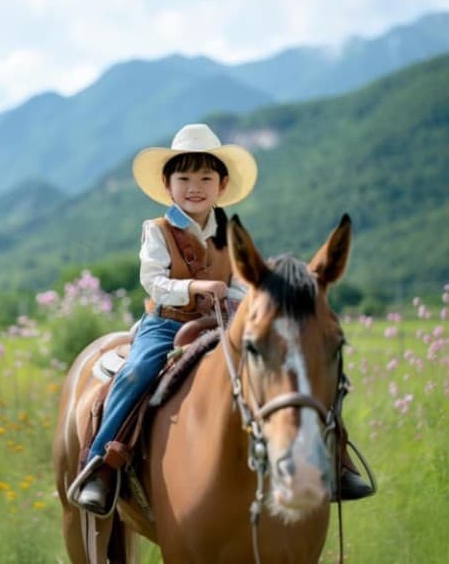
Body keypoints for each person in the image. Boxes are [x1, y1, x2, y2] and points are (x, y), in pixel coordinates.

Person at [73, 123, 373, 515]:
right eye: (184, 178)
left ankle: (334, 460)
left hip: (223, 322)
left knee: (289, 366)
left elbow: (241, 284)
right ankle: (101, 465)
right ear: (168, 184)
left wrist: (243, 297)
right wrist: (194, 289)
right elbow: (153, 281)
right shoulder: (158, 230)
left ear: (222, 184)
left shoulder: (229, 233)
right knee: (136, 372)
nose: (194, 187)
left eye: (205, 178)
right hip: (167, 323)